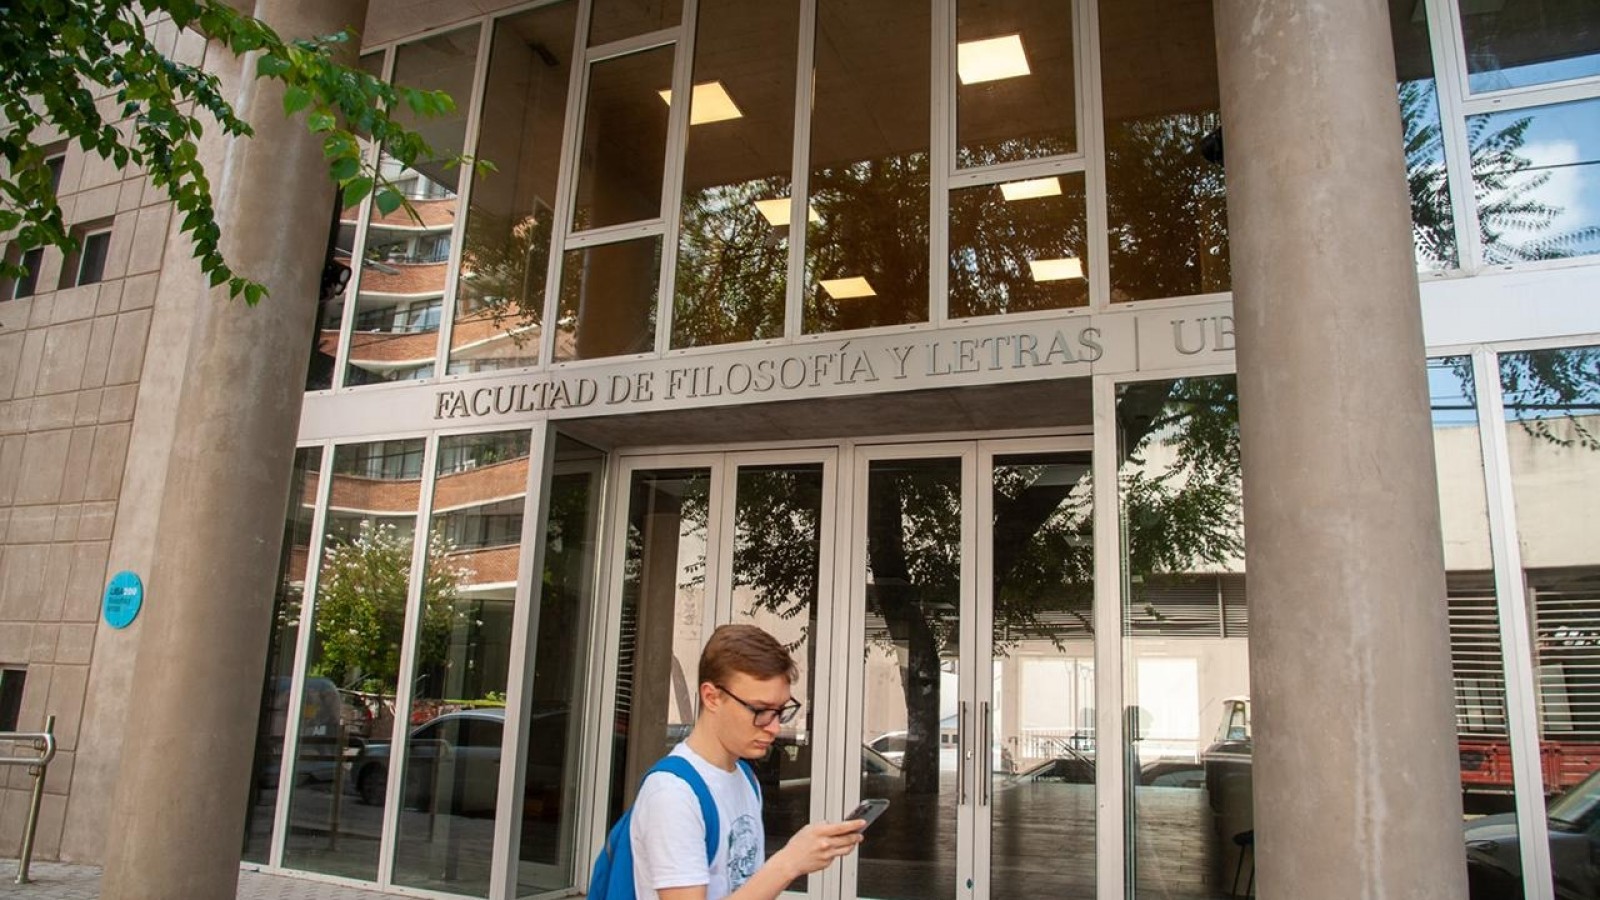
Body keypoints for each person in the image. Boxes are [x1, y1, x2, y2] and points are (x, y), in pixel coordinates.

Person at [631, 623, 865, 900]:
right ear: (712, 697)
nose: (774, 727)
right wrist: (788, 863)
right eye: (761, 710)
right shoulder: (672, 795)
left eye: (780, 711)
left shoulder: (744, 776)